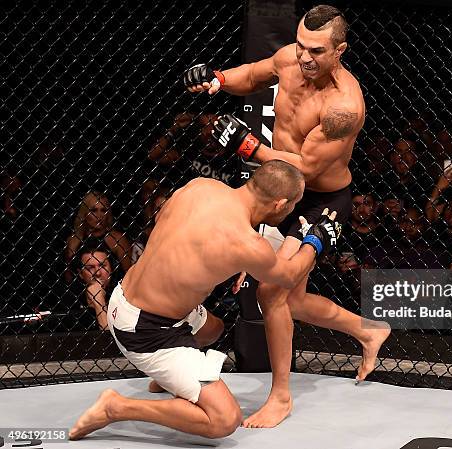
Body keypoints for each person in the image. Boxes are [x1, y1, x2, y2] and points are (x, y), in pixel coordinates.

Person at [184, 4, 390, 428]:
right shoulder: (292, 60)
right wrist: (218, 80)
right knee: (288, 298)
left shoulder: (344, 107)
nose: (304, 57)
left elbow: (305, 169)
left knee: (273, 294)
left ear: (340, 51)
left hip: (320, 200)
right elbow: (255, 73)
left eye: (316, 50)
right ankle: (369, 331)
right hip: (282, 193)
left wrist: (247, 147)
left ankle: (281, 396)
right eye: (300, 46)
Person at [69, 161, 341, 440]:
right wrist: (317, 239)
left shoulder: (200, 186)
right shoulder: (247, 244)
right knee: (224, 420)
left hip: (125, 295)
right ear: (280, 204)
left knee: (213, 329)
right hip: (146, 331)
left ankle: (168, 377)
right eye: (294, 205)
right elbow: (289, 275)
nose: (292, 211)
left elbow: (183, 237)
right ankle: (116, 407)